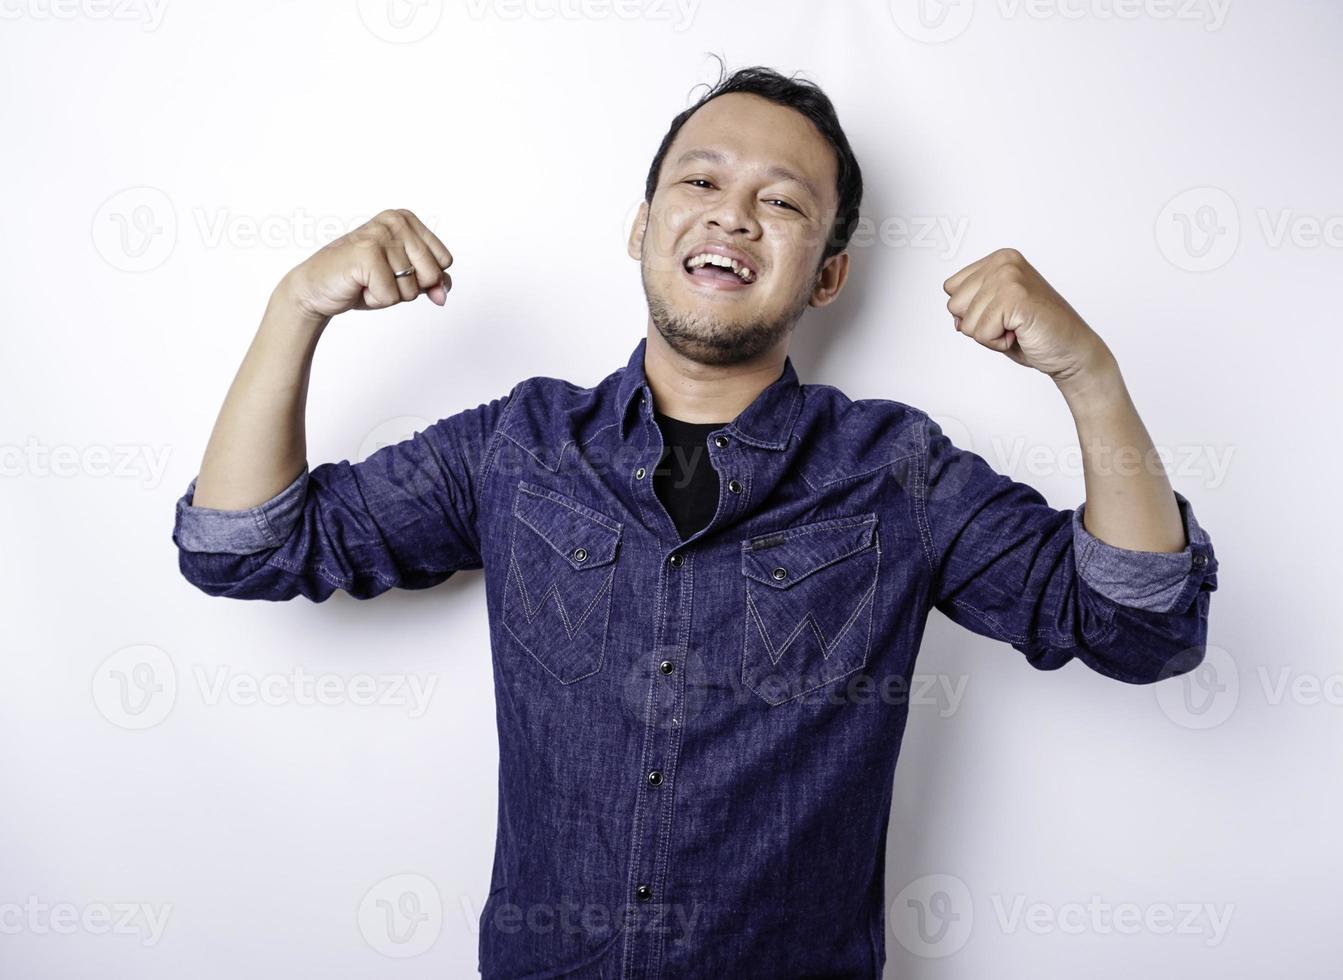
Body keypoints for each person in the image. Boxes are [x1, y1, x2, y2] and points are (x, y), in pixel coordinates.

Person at [172, 62, 1219, 980]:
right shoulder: (519, 446)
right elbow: (241, 547)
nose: (732, 216)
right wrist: (294, 307)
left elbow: (1138, 624)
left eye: (783, 202)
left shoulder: (895, 471)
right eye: (701, 181)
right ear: (643, 225)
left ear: (829, 274)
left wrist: (1090, 375)